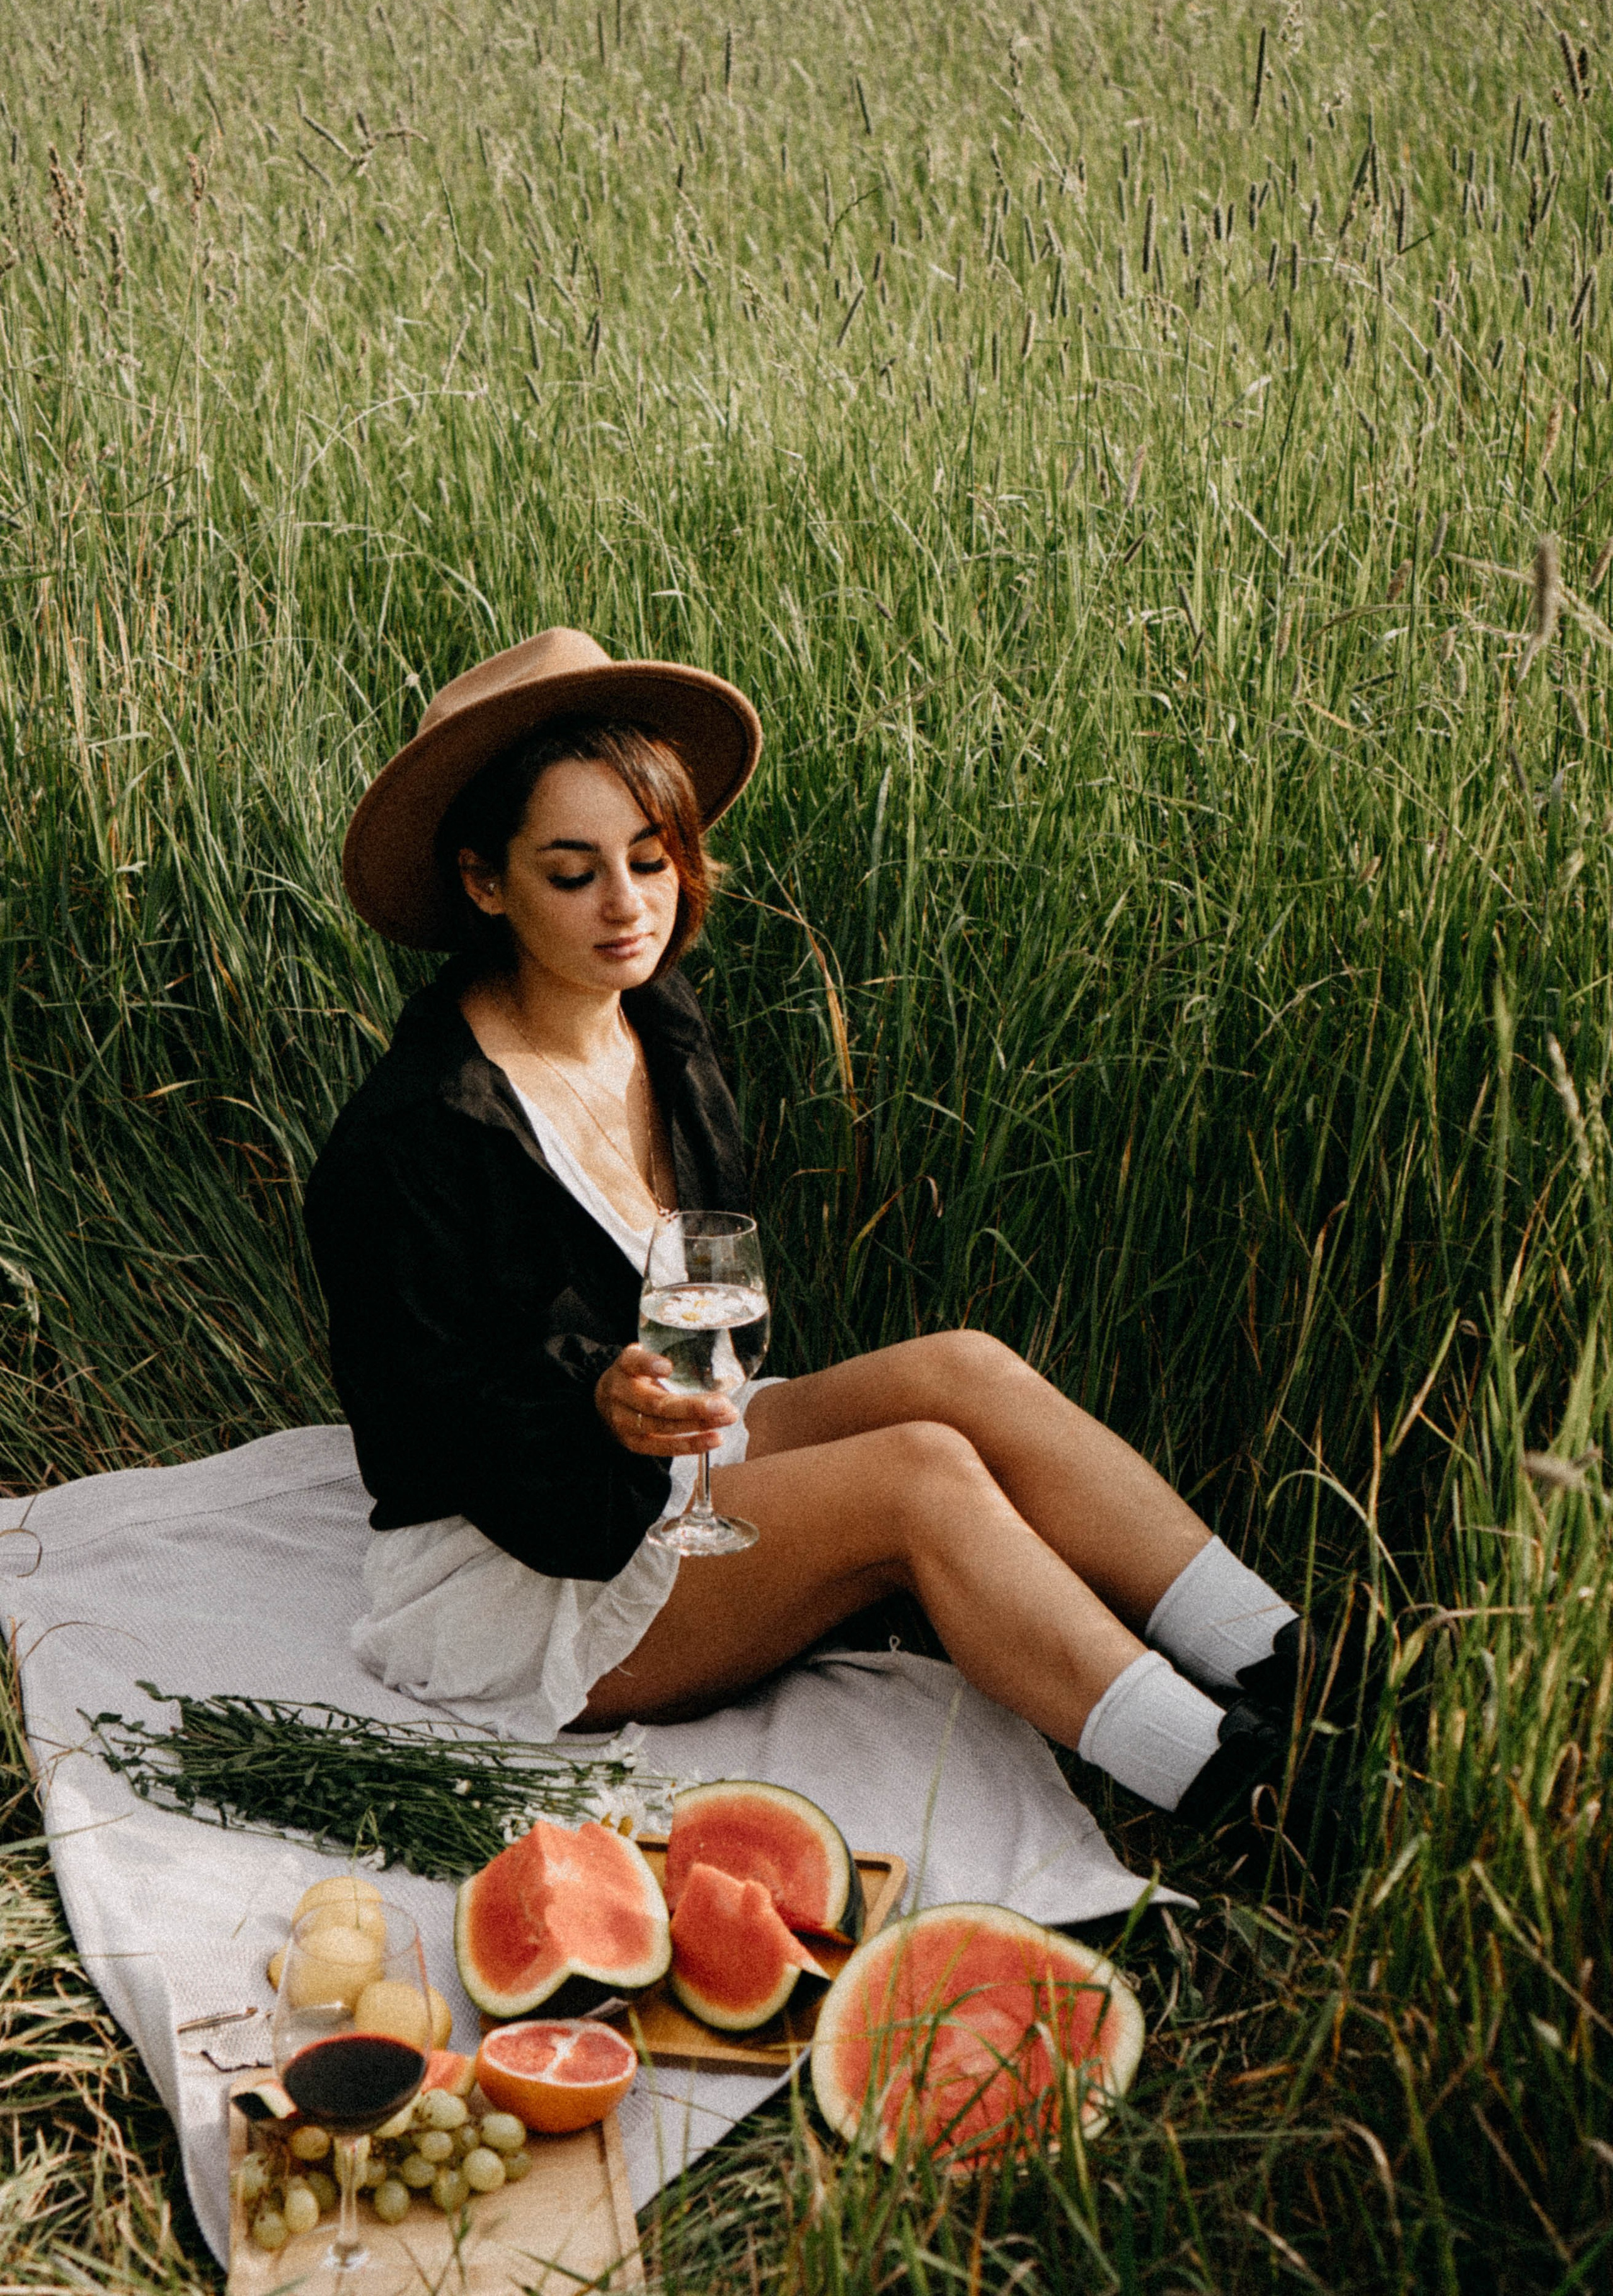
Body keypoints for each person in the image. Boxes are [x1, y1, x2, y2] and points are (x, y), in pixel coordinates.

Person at [305, 627, 1326, 1847]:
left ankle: (1295, 1664)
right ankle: (1235, 1786)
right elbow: (433, 1428)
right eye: (572, 873)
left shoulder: (656, 1024)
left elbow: (707, 1328)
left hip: (666, 1463)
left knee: (963, 1370)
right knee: (916, 1477)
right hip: (526, 1566)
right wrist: (598, 1410)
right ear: (486, 882)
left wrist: (665, 1411)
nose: (628, 906)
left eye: (649, 857)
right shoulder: (415, 1138)